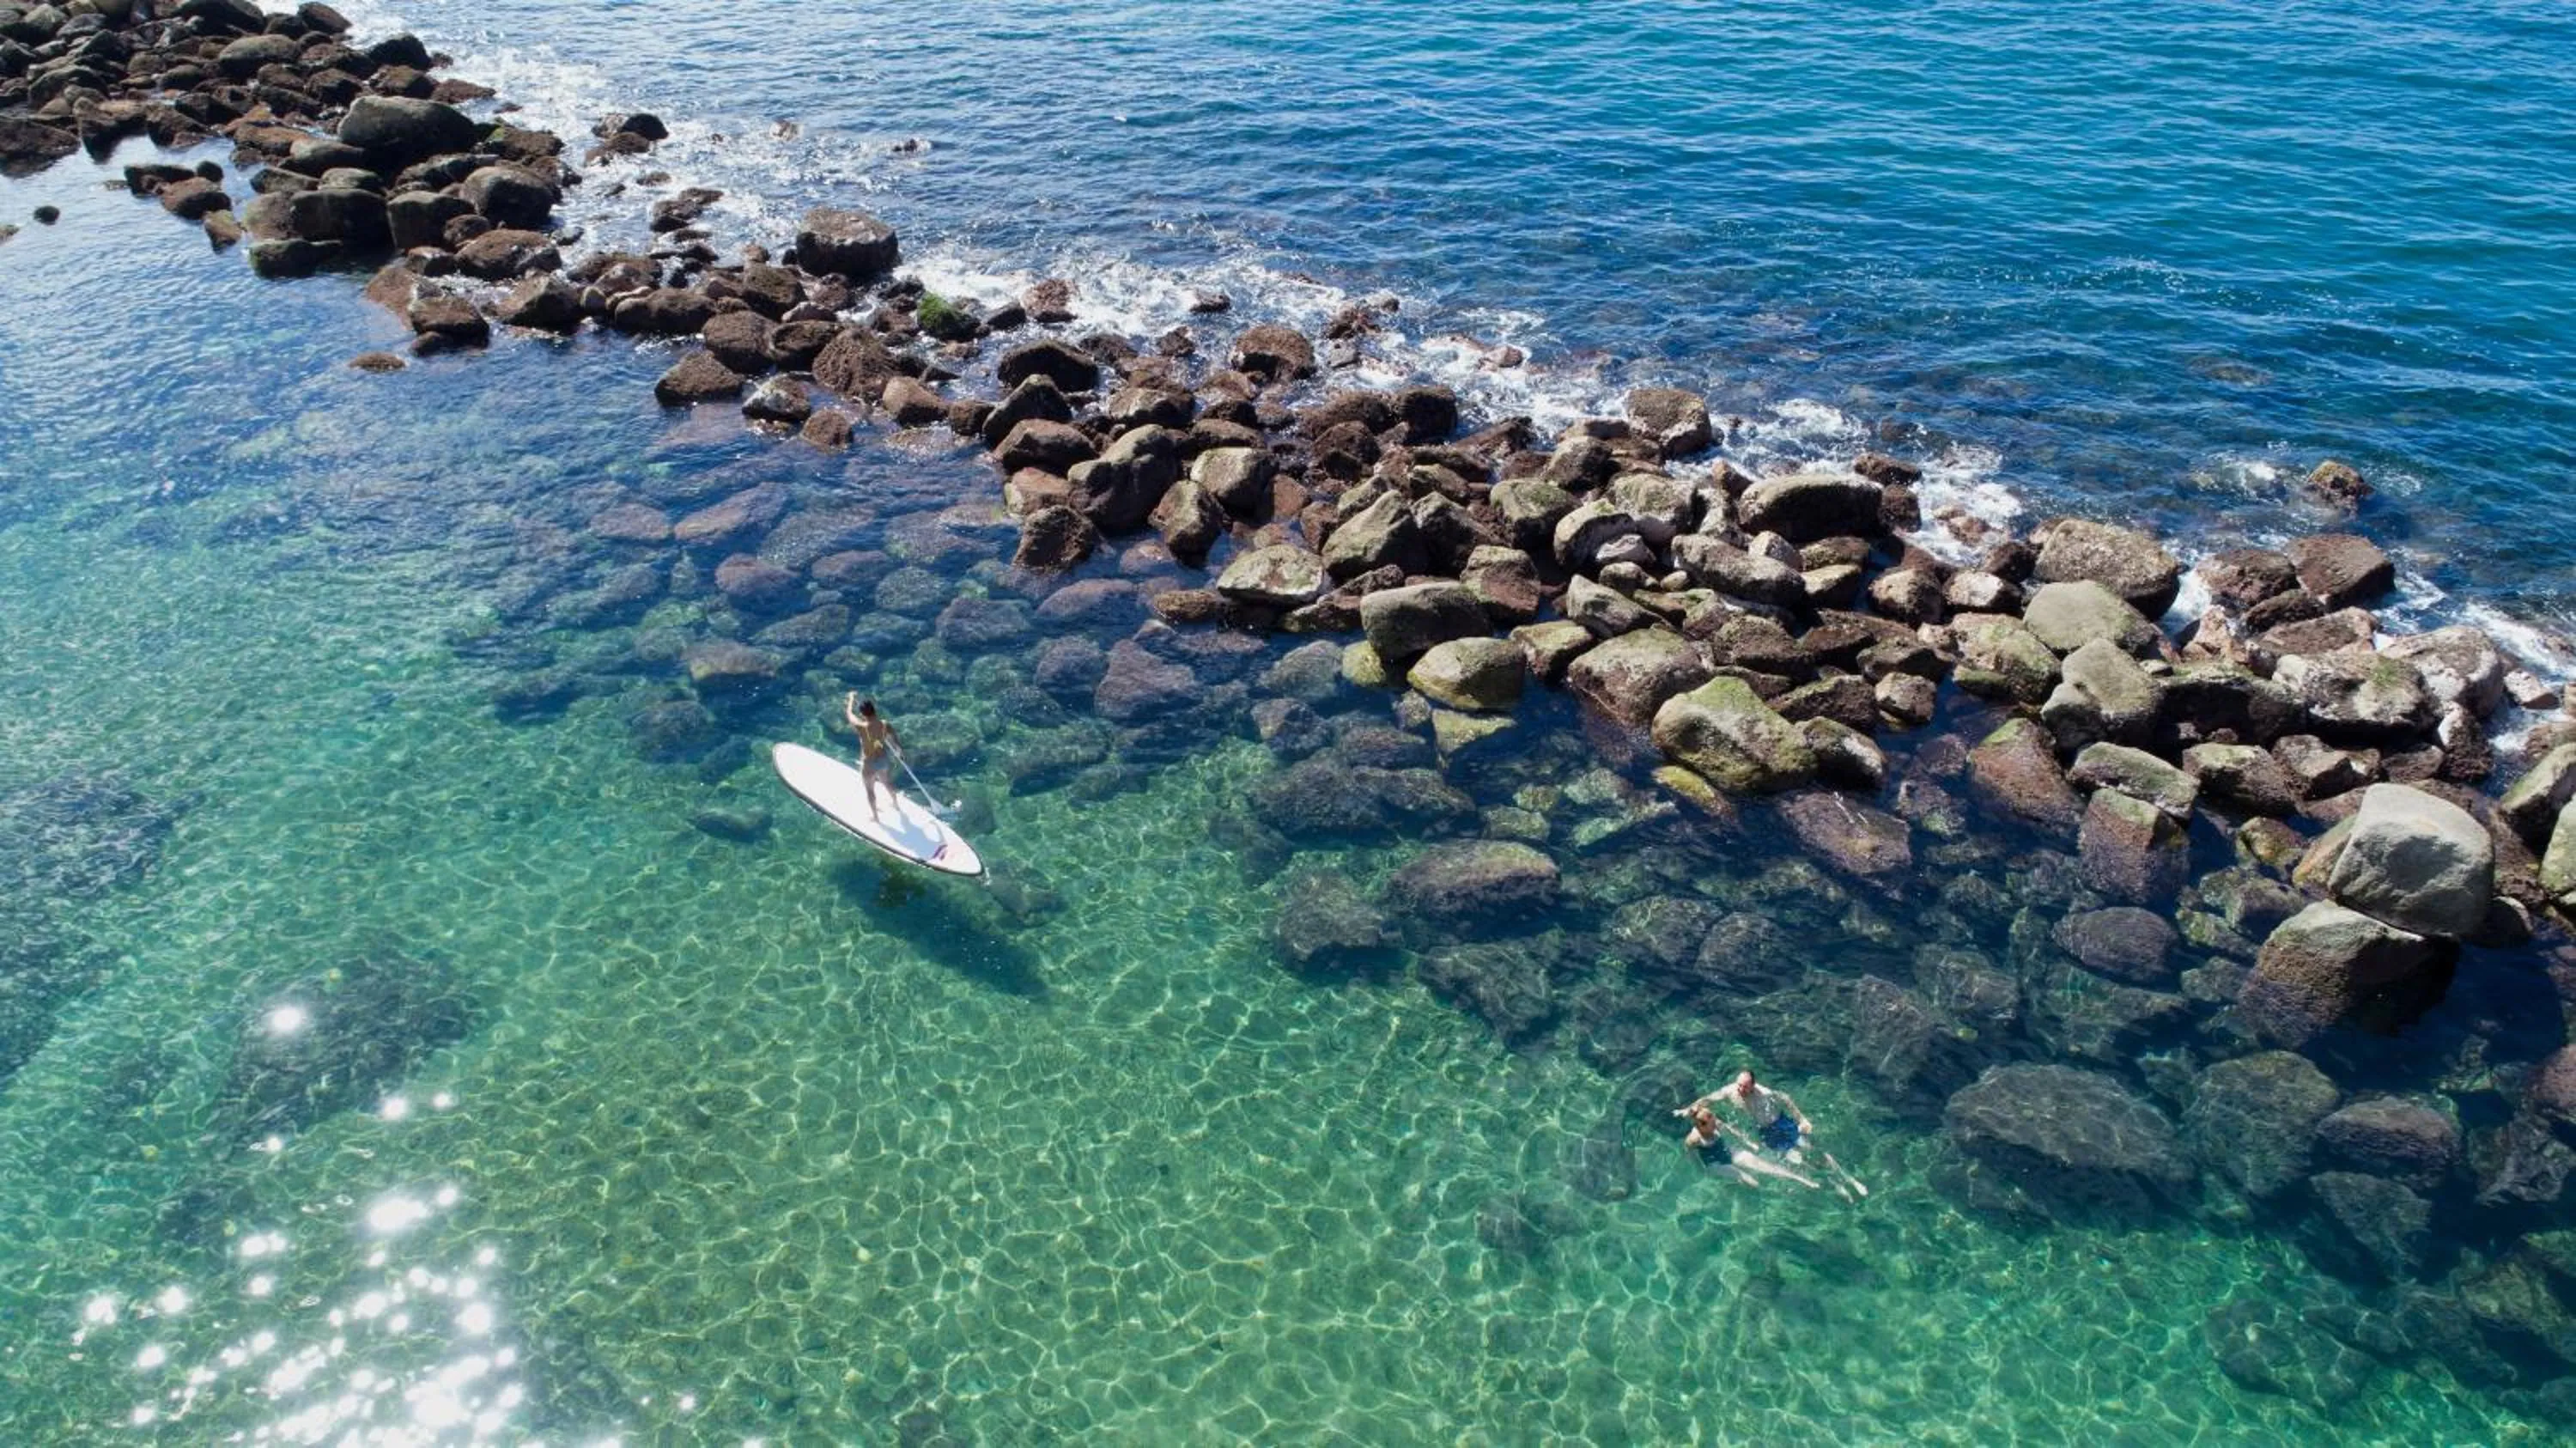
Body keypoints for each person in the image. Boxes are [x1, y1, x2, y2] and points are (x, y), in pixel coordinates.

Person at [1690, 1070, 1870, 1200]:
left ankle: (1850, 1179)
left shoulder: (1765, 1093)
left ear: (1753, 1086)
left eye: (1745, 1086)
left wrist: (1802, 1119)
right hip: (1767, 1133)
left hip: (1782, 1124)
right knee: (1798, 1160)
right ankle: (1834, 1182)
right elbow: (1711, 1098)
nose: (1740, 1089)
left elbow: (1786, 1099)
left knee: (1811, 1150)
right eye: (1739, 1085)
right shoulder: (1733, 1091)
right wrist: (1691, 1108)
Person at [1675, 1099, 1818, 1189]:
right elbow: (1691, 1156)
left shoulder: (1714, 1121)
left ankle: (1801, 1180)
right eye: (1712, 1125)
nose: (1715, 1125)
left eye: (1714, 1121)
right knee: (1752, 1182)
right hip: (1715, 1164)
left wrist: (1748, 1143)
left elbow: (1731, 1130)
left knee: (1766, 1166)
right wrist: (1701, 1172)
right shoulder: (1693, 1139)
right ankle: (1736, 1186)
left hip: (1727, 1152)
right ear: (1701, 1126)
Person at [842, 693, 902, 821]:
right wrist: (898, 748)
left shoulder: (862, 727)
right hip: (883, 760)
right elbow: (894, 736)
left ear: (862, 714)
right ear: (874, 710)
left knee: (870, 790)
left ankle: (876, 817)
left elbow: (849, 714)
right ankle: (896, 804)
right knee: (887, 782)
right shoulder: (885, 724)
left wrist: (851, 699)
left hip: (869, 763)